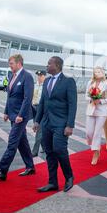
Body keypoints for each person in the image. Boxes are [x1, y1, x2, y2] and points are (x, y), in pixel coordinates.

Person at [0, 54, 35, 181]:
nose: (10, 66)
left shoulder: (27, 76)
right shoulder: (12, 76)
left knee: (12, 141)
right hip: (13, 114)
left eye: (11, 63)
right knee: (21, 141)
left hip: (20, 116)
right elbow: (10, 96)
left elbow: (27, 98)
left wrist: (21, 115)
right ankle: (30, 166)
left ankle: (3, 171)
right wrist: (6, 112)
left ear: (19, 63)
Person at [34, 56, 77, 193]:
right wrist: (37, 120)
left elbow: (72, 104)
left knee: (59, 149)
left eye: (49, 64)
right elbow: (42, 102)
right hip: (46, 123)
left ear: (57, 66)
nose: (46, 66)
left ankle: (69, 176)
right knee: (49, 152)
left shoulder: (68, 82)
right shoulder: (46, 81)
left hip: (61, 123)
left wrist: (70, 125)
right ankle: (52, 182)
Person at [85, 67, 107, 164]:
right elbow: (86, 95)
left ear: (103, 73)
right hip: (91, 110)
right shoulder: (90, 82)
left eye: (99, 71)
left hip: (101, 111)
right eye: (95, 71)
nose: (97, 73)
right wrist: (92, 99)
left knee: (97, 133)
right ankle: (94, 145)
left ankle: (96, 153)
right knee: (89, 133)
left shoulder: (106, 83)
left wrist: (100, 101)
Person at [31, 70, 46, 157]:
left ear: (44, 76)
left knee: (39, 130)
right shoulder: (35, 85)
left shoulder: (46, 86)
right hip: (34, 108)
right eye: (38, 76)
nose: (39, 77)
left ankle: (34, 151)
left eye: (41, 76)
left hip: (42, 109)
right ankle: (45, 147)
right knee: (38, 129)